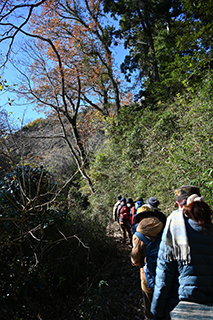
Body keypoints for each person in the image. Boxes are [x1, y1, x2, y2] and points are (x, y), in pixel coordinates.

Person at [151, 185, 213, 320]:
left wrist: (157, 312)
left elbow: (164, 276)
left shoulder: (174, 227)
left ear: (179, 203)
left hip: (184, 306)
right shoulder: (209, 226)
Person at [131, 204, 163, 319]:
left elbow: (136, 258)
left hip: (147, 273)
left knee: (148, 299)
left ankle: (150, 316)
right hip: (165, 271)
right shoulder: (162, 227)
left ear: (139, 218)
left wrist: (138, 263)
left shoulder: (138, 234)